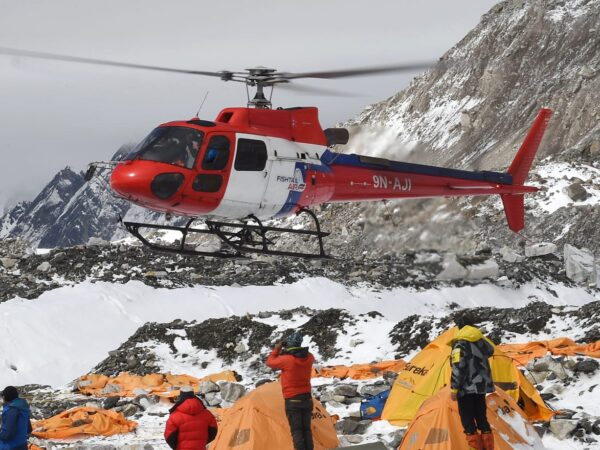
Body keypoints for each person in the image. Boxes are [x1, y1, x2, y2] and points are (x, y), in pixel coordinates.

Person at [449, 313, 495, 450]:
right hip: (481, 387)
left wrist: (454, 389)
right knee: (482, 418)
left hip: (466, 389)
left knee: (468, 422)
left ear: (460, 327)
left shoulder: (459, 343)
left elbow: (458, 368)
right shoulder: (480, 340)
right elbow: (491, 350)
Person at [267, 330, 315, 450]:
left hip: (293, 399)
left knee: (297, 431)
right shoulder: (309, 357)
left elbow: (270, 362)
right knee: (306, 430)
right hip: (307, 398)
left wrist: (277, 349)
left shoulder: (287, 360)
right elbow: (299, 354)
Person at [164, 386, 218, 450]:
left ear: (181, 395)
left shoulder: (174, 416)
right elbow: (213, 432)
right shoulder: (207, 414)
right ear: (193, 394)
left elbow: (169, 437)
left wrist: (177, 447)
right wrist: (202, 442)